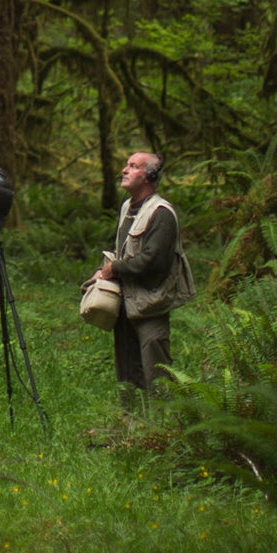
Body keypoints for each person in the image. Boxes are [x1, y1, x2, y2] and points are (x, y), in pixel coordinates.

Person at [90, 150, 177, 394]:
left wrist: (114, 269)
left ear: (149, 176)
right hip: (126, 303)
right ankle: (131, 423)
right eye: (126, 165)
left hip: (151, 304)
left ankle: (162, 428)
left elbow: (154, 261)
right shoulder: (127, 207)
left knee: (157, 375)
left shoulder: (162, 213)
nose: (124, 170)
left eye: (133, 166)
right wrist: (103, 270)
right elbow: (125, 252)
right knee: (127, 373)